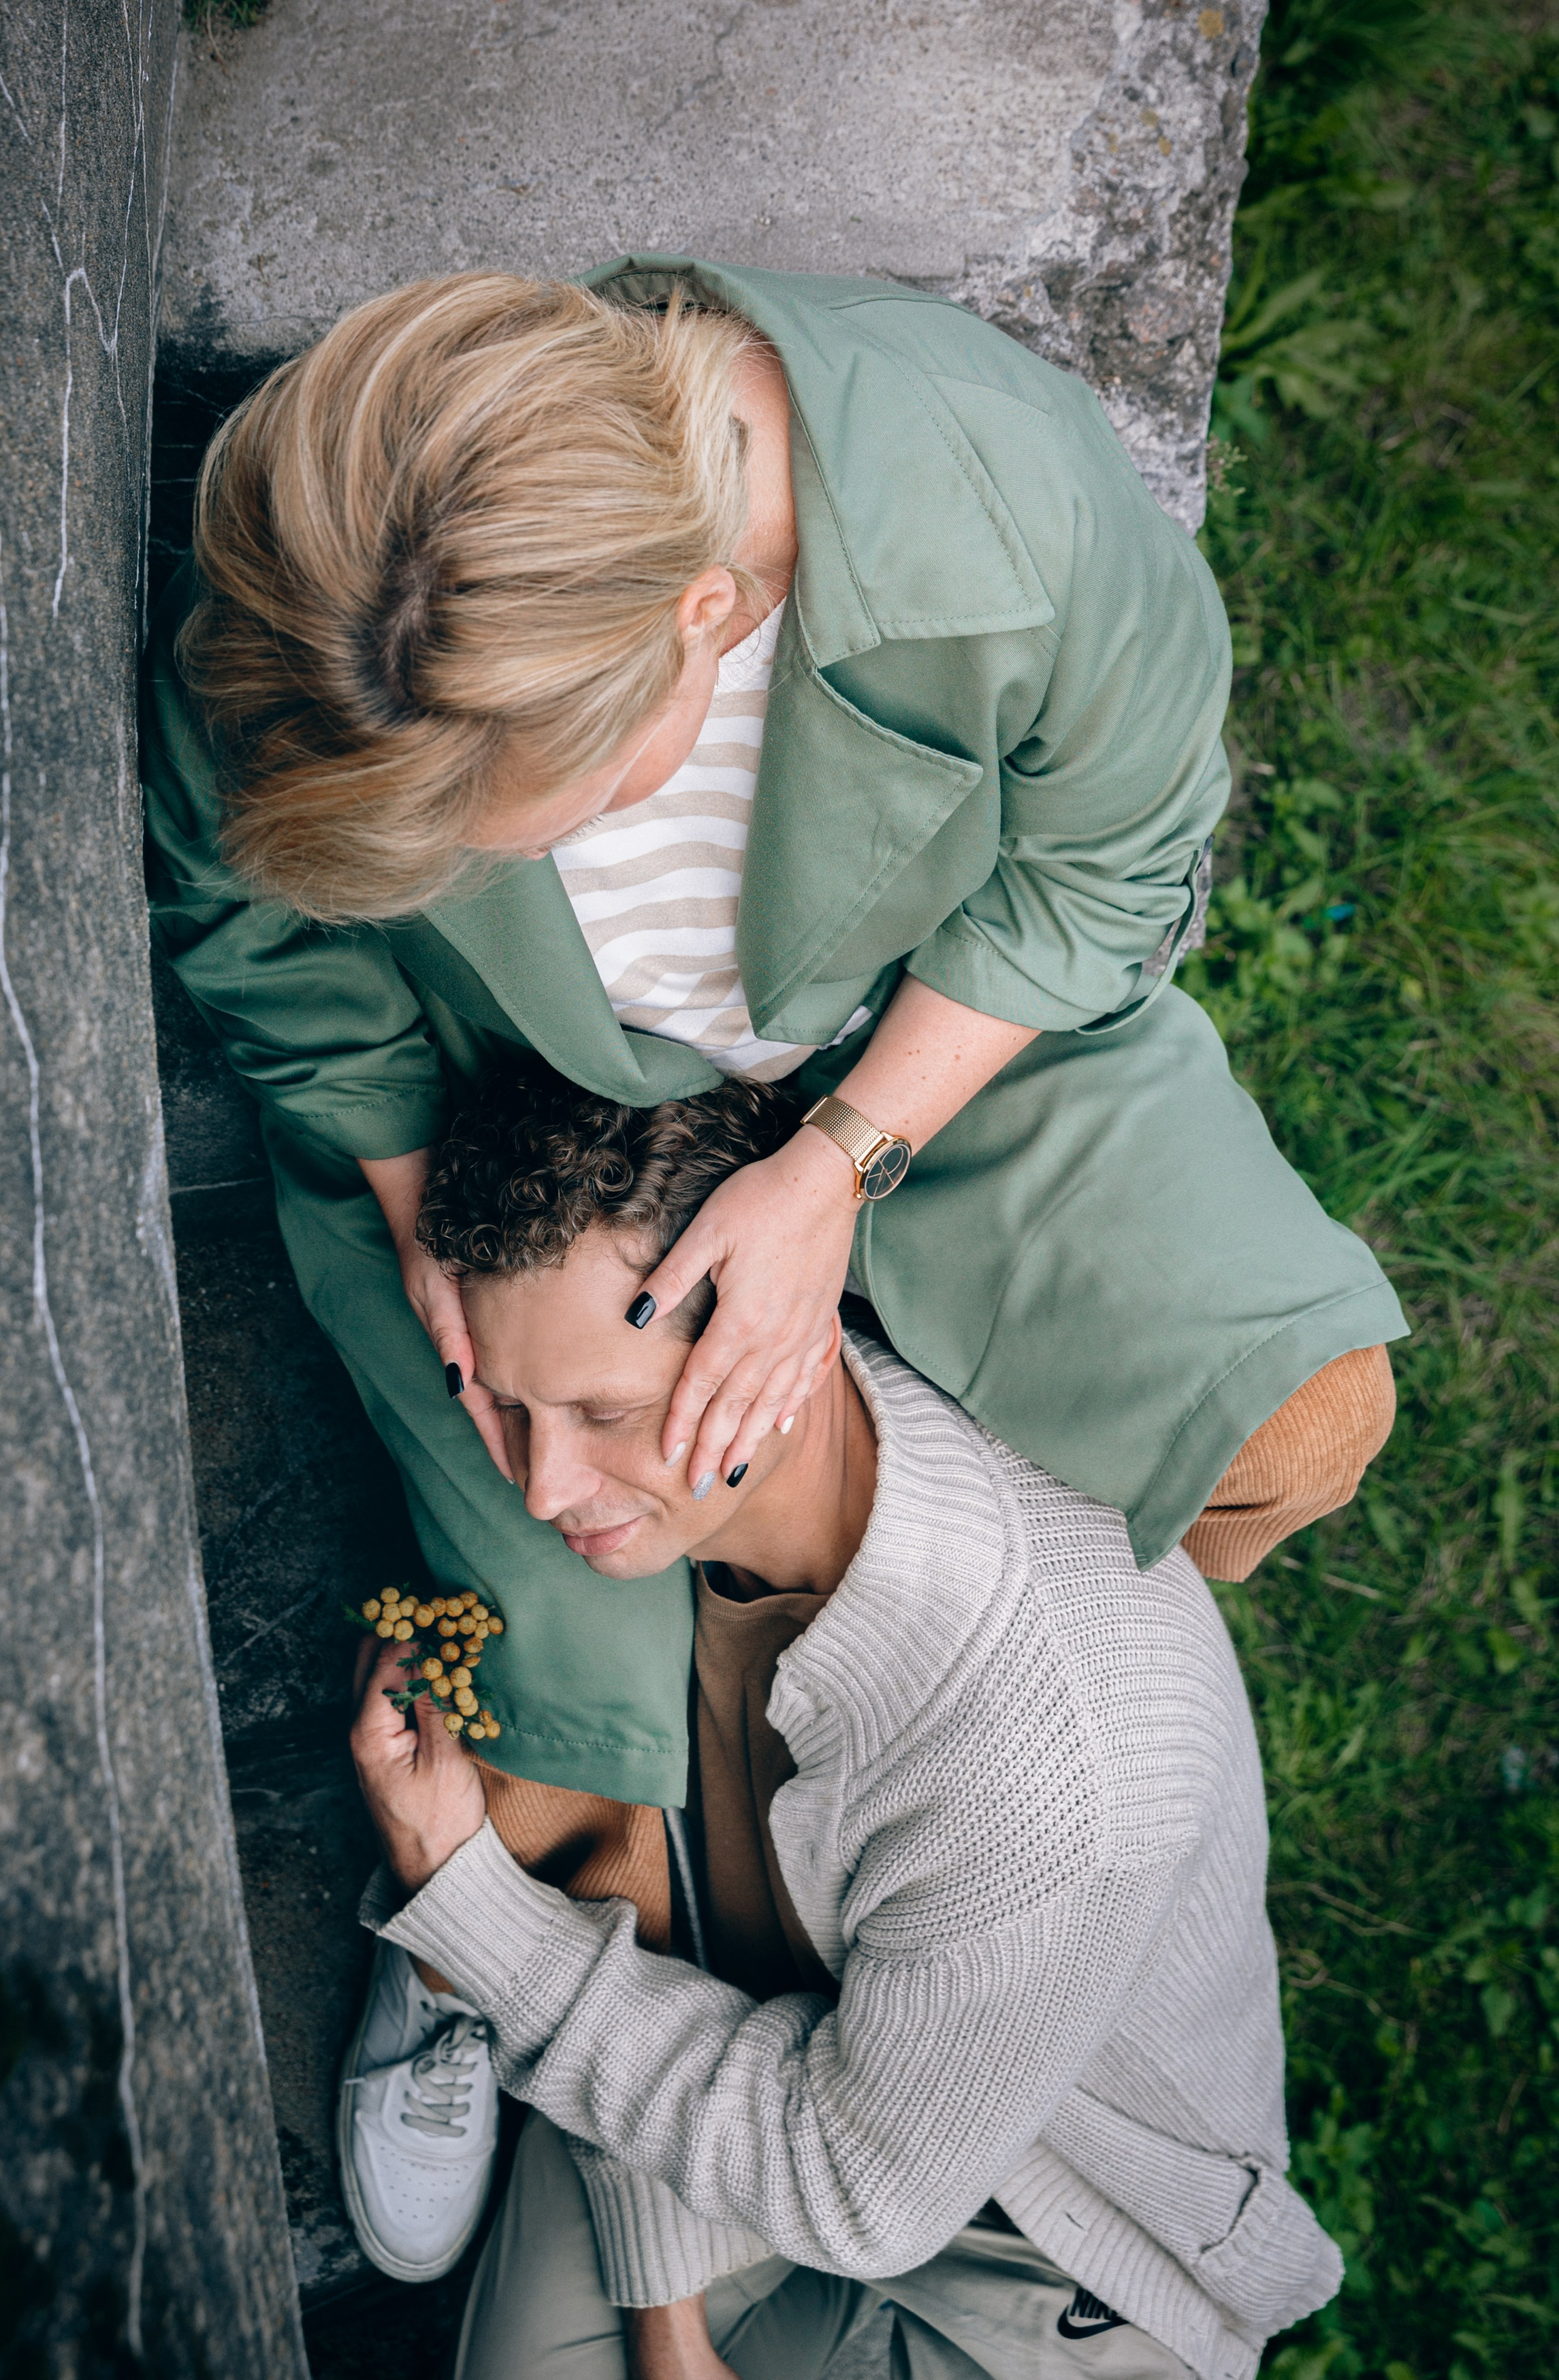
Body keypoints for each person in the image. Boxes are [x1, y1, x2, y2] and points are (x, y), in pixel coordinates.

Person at [142, 259, 1404, 1826]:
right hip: (497, 1103)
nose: (494, 864)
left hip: (930, 1039)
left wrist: (836, 1165)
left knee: (1294, 1418)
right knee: (561, 1761)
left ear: (705, 616)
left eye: (532, 822)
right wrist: (409, 1192)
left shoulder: (1001, 501)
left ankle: (982, 1590)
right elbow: (240, 912)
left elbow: (1106, 867)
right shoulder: (307, 621)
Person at [343, 1064, 1343, 2380]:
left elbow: (860, 2193)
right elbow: (675, 1921)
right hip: (775, 2070)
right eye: (513, 1410)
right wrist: (665, 2313)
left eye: (606, 1414)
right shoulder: (696, 1499)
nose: (544, 1489)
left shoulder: (1047, 1771)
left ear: (786, 1335)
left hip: (1059, 2253)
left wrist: (459, 1894)